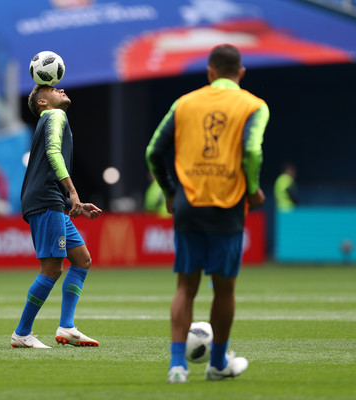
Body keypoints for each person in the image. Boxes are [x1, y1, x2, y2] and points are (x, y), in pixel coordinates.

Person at [145, 44, 269, 383]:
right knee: (224, 289)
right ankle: (217, 365)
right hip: (228, 205)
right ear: (241, 73)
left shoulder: (184, 103)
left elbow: (154, 151)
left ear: (210, 72)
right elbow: (252, 150)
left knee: (185, 286)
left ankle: (176, 367)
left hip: (189, 202)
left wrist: (171, 192)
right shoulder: (254, 105)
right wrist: (253, 187)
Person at [11, 84, 102, 349]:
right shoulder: (54, 116)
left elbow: (46, 164)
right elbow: (53, 153)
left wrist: (74, 201)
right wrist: (72, 191)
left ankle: (67, 326)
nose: (60, 89)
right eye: (51, 89)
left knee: (82, 260)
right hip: (46, 200)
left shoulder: (50, 118)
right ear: (42, 102)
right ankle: (22, 333)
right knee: (52, 268)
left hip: (53, 200)